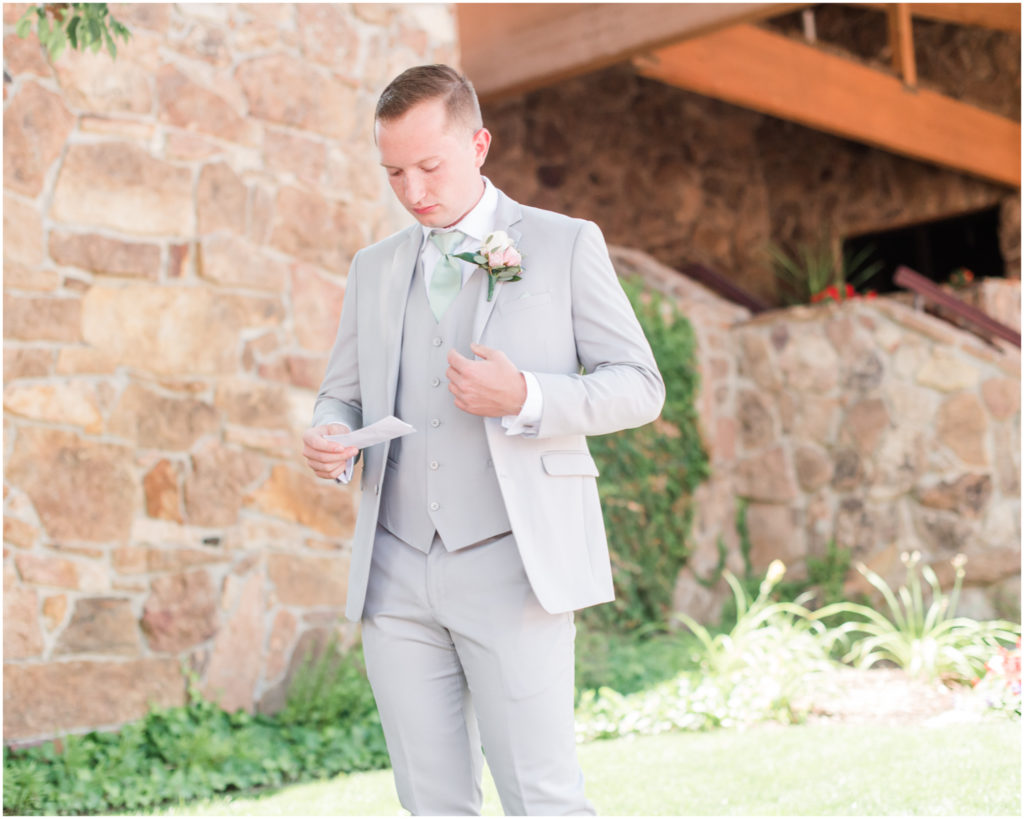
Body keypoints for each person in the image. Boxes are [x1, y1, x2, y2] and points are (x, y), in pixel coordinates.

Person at [302, 64, 665, 816]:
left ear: (479, 144)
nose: (412, 189)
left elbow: (639, 384)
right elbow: (343, 389)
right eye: (394, 171)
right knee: (429, 802)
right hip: (394, 569)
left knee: (541, 796)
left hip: (514, 560)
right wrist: (332, 430)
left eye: (429, 165)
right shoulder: (372, 269)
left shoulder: (565, 245)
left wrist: (529, 394)